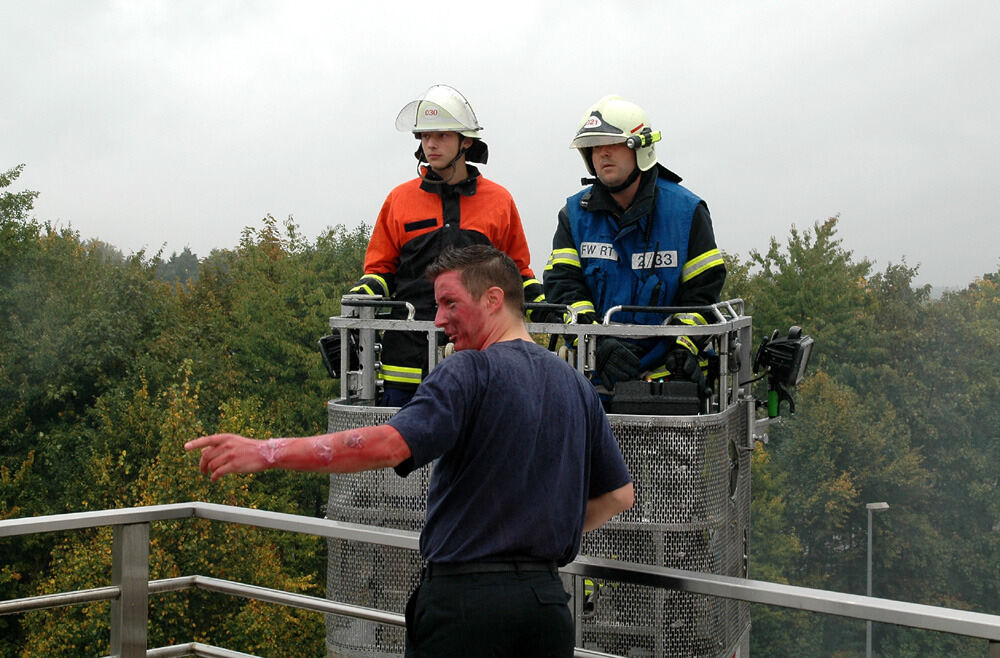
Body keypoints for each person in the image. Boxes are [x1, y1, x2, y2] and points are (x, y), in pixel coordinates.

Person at [187, 245, 635, 658]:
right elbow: (619, 496)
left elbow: (386, 444)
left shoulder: (468, 370)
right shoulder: (575, 384)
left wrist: (267, 452)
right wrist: (538, 536)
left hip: (466, 609)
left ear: (494, 299)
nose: (438, 320)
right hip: (546, 610)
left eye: (449, 303)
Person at [348, 84, 545, 407]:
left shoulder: (499, 201)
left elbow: (518, 272)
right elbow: (380, 270)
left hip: (481, 359)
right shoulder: (399, 200)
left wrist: (538, 299)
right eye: (425, 137)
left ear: (466, 141)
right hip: (407, 364)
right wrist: (361, 296)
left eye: (441, 135)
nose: (431, 144)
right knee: (404, 454)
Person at [543, 95, 726, 399]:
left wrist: (683, 350)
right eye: (594, 147)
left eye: (612, 145)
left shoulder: (686, 213)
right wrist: (598, 345)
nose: (602, 154)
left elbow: (703, 295)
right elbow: (563, 290)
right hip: (594, 379)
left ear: (641, 147)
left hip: (668, 381)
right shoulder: (574, 216)